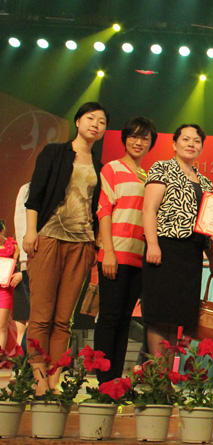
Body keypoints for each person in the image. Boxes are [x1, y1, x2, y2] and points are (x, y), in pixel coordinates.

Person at [23, 102, 107, 394]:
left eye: (101, 122)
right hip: (49, 238)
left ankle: (54, 378)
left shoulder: (99, 165)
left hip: (81, 245)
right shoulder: (55, 152)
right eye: (90, 118)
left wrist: (95, 244)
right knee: (41, 315)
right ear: (78, 121)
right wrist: (31, 231)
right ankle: (38, 379)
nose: (95, 125)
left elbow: (98, 209)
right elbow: (35, 196)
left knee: (63, 320)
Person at [143, 124, 213, 362]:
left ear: (201, 148)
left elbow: (206, 226)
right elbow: (149, 209)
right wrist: (152, 244)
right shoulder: (162, 168)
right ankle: (157, 375)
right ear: (174, 144)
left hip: (191, 256)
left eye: (196, 141)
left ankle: (168, 376)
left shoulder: (205, 183)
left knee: (176, 319)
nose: (191, 144)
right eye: (185, 139)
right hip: (164, 249)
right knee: (158, 316)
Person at [94, 116, 157, 383]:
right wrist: (108, 251)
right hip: (115, 254)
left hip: (139, 258)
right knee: (109, 318)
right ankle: (103, 381)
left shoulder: (149, 176)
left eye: (144, 138)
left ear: (151, 143)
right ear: (125, 139)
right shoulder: (112, 168)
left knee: (124, 320)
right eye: (134, 136)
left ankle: (115, 380)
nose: (138, 142)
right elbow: (104, 210)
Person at [13, 183, 30, 347]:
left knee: (33, 322)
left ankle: (26, 357)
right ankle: (21, 358)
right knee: (22, 326)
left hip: (29, 271)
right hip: (22, 278)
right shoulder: (26, 189)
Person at [0, 219, 21, 349]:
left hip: (5, 290)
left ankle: (0, 355)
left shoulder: (12, 245)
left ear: (2, 231)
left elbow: (18, 264)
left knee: (1, 326)